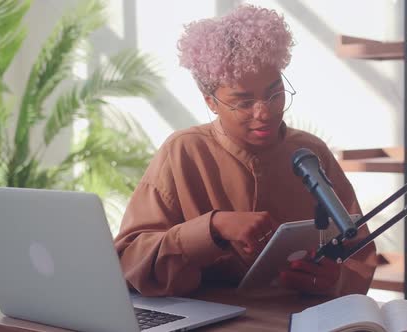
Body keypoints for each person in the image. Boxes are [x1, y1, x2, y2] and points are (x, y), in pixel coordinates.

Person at [114, 4, 377, 297]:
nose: (264, 113)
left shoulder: (311, 153)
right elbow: (128, 261)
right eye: (243, 102)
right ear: (210, 102)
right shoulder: (183, 153)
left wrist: (335, 279)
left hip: (298, 320)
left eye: (274, 94)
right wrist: (212, 228)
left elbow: (359, 254)